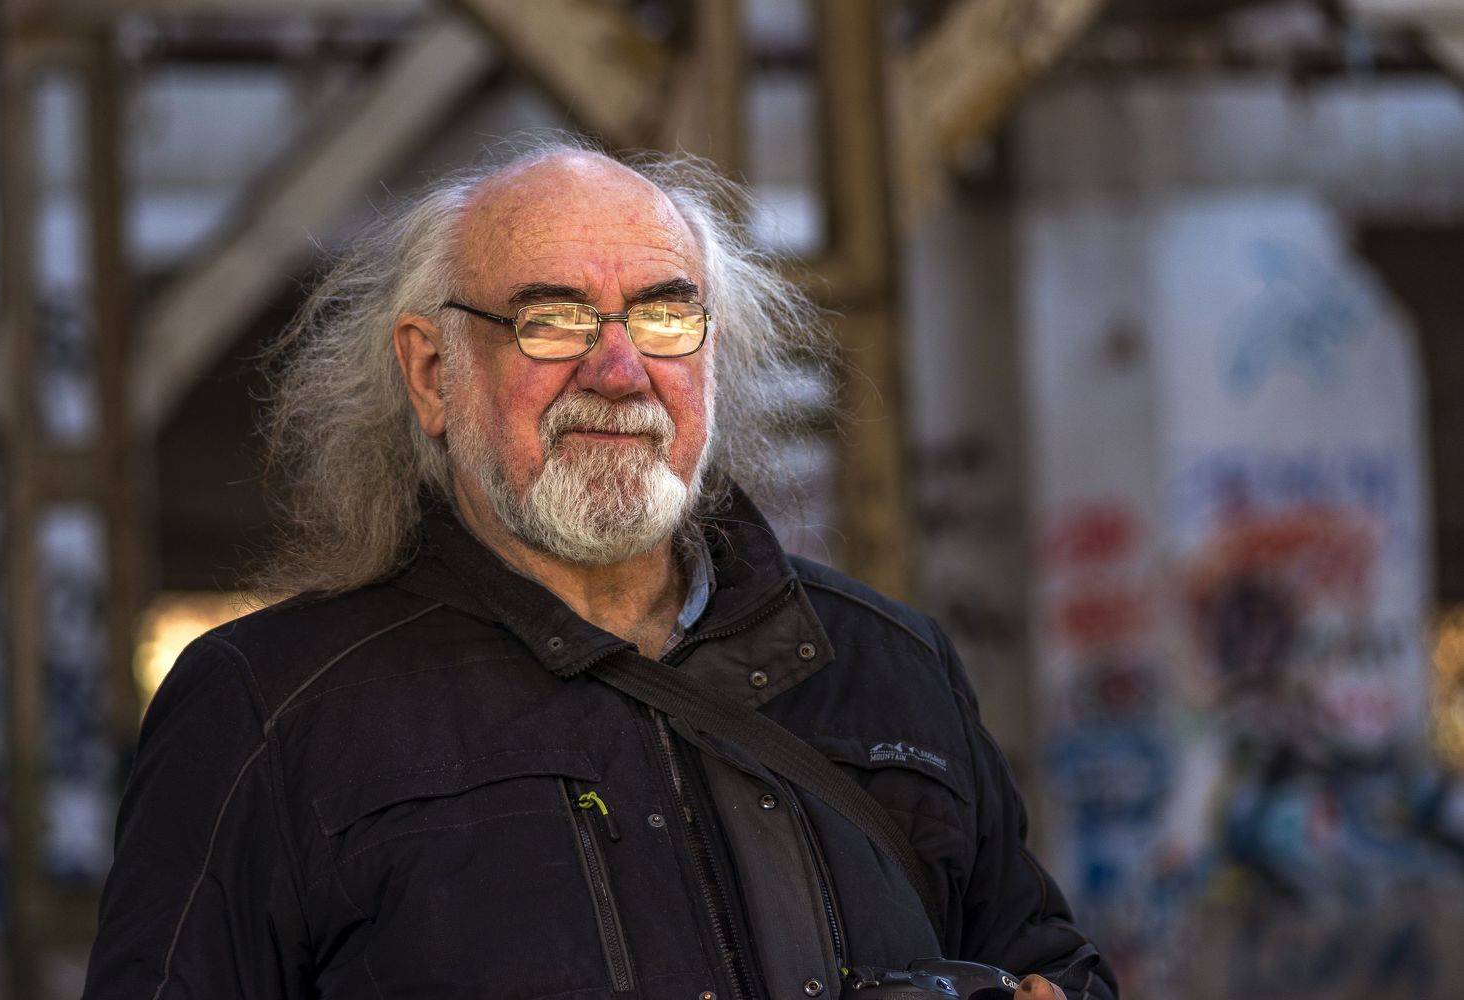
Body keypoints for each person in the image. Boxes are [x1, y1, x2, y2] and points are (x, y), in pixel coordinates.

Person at [84, 139, 1116, 1000]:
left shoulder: (891, 664)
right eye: (553, 320)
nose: (620, 372)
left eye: (665, 316)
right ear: (433, 372)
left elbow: (1045, 963)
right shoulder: (268, 710)